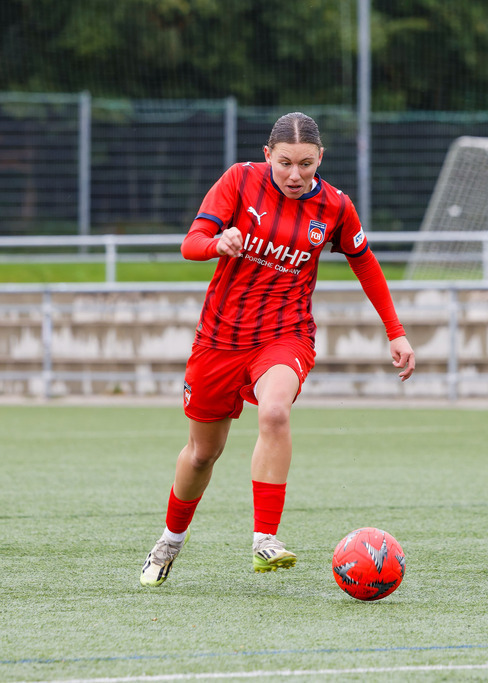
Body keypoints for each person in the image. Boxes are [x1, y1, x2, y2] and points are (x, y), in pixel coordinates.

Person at [141, 112, 415, 587]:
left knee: (275, 414)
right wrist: (217, 243)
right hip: (219, 340)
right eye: (285, 163)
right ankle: (170, 541)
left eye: (306, 165)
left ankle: (265, 539)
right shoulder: (239, 181)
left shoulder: (334, 206)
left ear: (320, 159)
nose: (294, 175)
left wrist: (396, 330)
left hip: (284, 335)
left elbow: (365, 264)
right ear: (267, 155)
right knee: (203, 454)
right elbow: (191, 243)